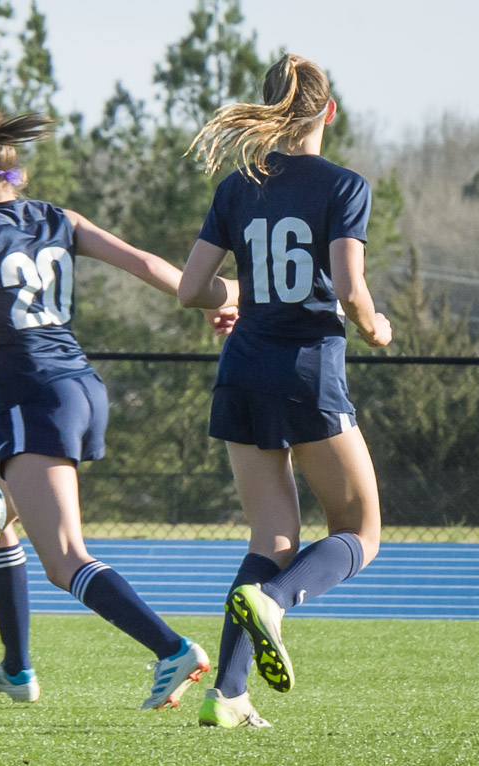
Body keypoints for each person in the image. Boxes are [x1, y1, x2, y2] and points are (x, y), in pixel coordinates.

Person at [0, 110, 210, 710]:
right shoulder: (60, 219)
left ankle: (171, 649)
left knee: (65, 560)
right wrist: (218, 296)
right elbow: (147, 264)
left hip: (33, 392)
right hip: (81, 386)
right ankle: (16, 668)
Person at [177, 54, 392, 728]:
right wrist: (377, 325)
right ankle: (278, 600)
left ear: (268, 108)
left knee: (271, 533)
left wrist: (234, 293)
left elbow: (191, 290)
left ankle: (229, 694)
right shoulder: (343, 185)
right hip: (304, 371)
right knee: (362, 530)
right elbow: (350, 289)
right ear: (329, 112)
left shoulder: (238, 187)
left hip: (241, 370)